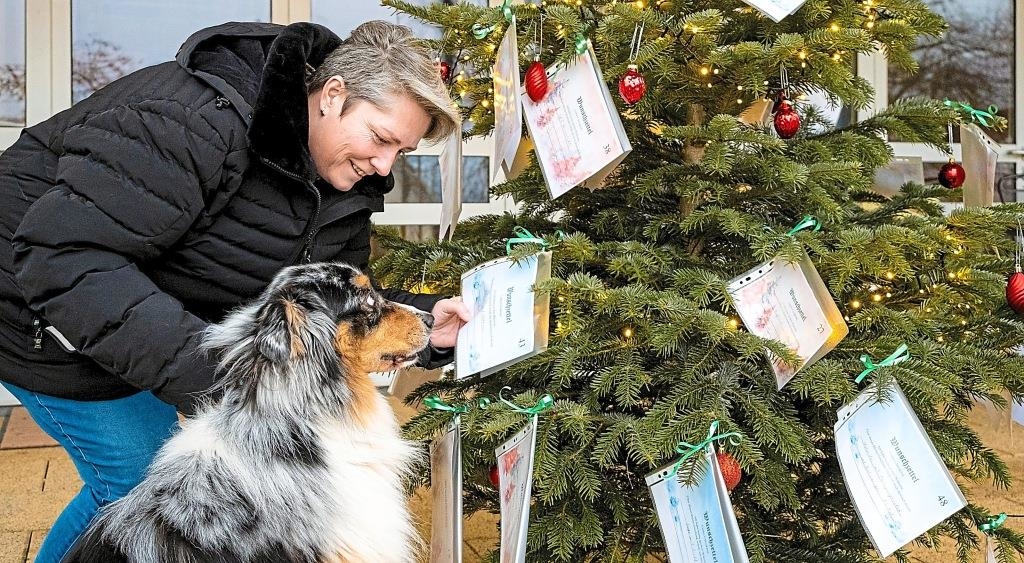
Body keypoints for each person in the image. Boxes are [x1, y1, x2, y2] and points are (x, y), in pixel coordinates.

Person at [0, 20, 470, 563]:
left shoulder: (345, 176)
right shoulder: (191, 124)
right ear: (333, 96)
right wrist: (231, 375)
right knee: (142, 481)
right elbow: (66, 256)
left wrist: (425, 326)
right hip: (34, 300)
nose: (385, 166)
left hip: (129, 299)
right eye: (381, 139)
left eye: (402, 152)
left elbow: (338, 297)